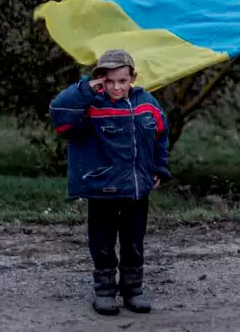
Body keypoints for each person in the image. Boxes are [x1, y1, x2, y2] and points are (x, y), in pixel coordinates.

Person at [49, 48, 171, 315]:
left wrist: (160, 168)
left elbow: (160, 136)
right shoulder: (90, 105)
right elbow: (58, 113)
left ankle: (133, 290)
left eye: (123, 81)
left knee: (133, 240)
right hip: (102, 188)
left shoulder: (147, 103)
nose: (116, 87)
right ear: (100, 79)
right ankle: (104, 292)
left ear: (133, 78)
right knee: (102, 241)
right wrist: (86, 88)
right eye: (110, 81)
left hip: (137, 189)